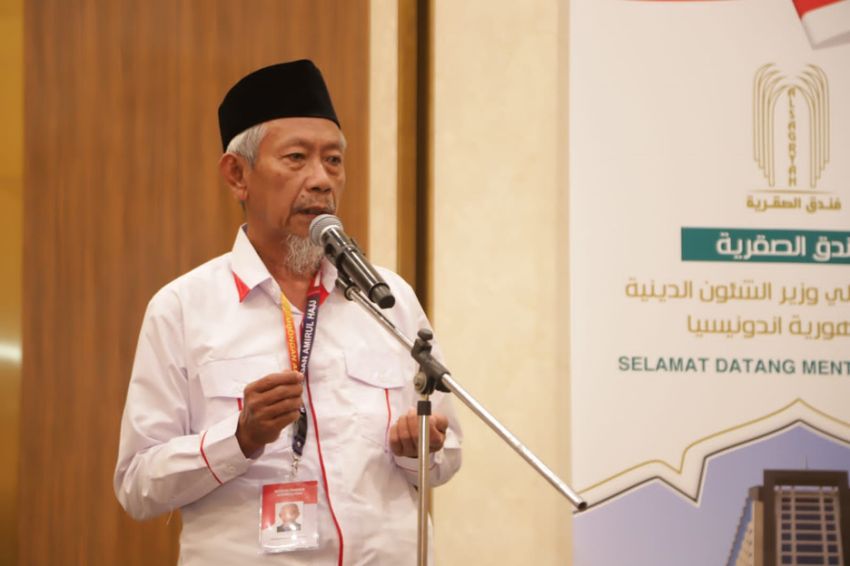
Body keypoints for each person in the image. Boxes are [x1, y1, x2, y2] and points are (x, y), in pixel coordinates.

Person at [114, 59, 462, 565]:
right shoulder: (183, 309)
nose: (321, 180)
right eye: (297, 158)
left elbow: (448, 456)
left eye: (334, 161)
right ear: (238, 175)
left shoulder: (389, 299)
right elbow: (137, 484)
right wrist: (239, 438)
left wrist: (419, 452)